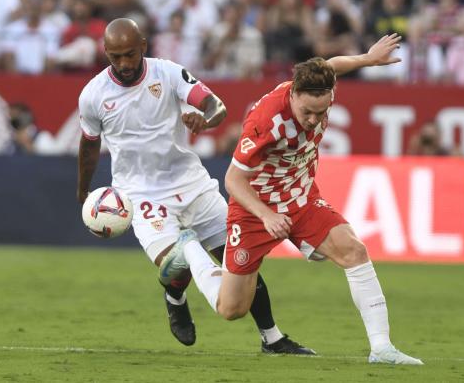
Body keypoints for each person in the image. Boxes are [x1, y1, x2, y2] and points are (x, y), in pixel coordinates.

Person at [159, 33, 423, 365]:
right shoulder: (266, 120)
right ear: (293, 93)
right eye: (308, 112)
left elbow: (331, 66)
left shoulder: (318, 84)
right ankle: (189, 248)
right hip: (255, 207)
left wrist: (368, 59)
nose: (314, 120)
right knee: (232, 309)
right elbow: (232, 180)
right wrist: (266, 215)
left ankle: (381, 349)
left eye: (321, 111)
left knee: (353, 250)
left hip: (300, 197)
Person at [76, 18, 313, 355]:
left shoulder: (168, 73)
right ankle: (175, 295)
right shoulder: (93, 95)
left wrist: (205, 118)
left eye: (130, 54)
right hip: (141, 195)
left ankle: (272, 338)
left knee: (239, 261)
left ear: (143, 44)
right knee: (175, 261)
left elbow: (215, 105)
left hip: (192, 185)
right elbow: (88, 144)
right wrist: (83, 191)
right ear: (106, 53)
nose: (124, 64)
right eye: (116, 57)